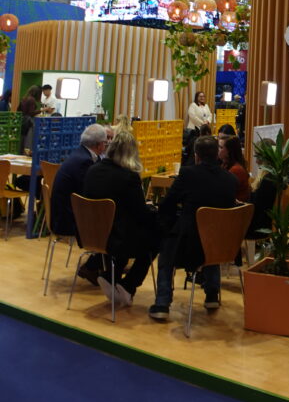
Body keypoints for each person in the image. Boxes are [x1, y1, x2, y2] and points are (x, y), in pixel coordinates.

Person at [148, 136, 238, 321]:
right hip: (220, 246)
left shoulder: (187, 174)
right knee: (210, 235)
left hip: (188, 245)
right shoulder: (231, 180)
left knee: (166, 250)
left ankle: (162, 303)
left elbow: (168, 202)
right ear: (217, 155)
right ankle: (212, 294)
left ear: (196, 155)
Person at [83, 132, 160, 307]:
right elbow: (140, 212)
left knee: (127, 230)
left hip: (91, 234)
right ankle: (129, 284)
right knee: (155, 239)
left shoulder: (93, 170)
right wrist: (154, 211)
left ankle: (110, 276)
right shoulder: (128, 177)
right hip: (116, 238)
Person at [51, 123, 109, 284]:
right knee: (112, 226)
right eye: (105, 143)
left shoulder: (79, 155)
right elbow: (89, 195)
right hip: (67, 220)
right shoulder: (84, 162)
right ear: (99, 145)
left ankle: (99, 267)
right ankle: (95, 268)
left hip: (62, 214)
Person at [219, 134, 250, 200]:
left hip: (236, 205)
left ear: (229, 151)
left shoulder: (236, 170)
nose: (217, 150)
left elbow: (223, 192)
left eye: (221, 147)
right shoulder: (225, 164)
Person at [19, 84, 42, 152]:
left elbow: (19, 109)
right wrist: (41, 110)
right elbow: (31, 113)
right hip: (28, 122)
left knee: (23, 140)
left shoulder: (24, 98)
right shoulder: (32, 100)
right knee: (28, 140)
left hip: (22, 121)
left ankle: (21, 152)